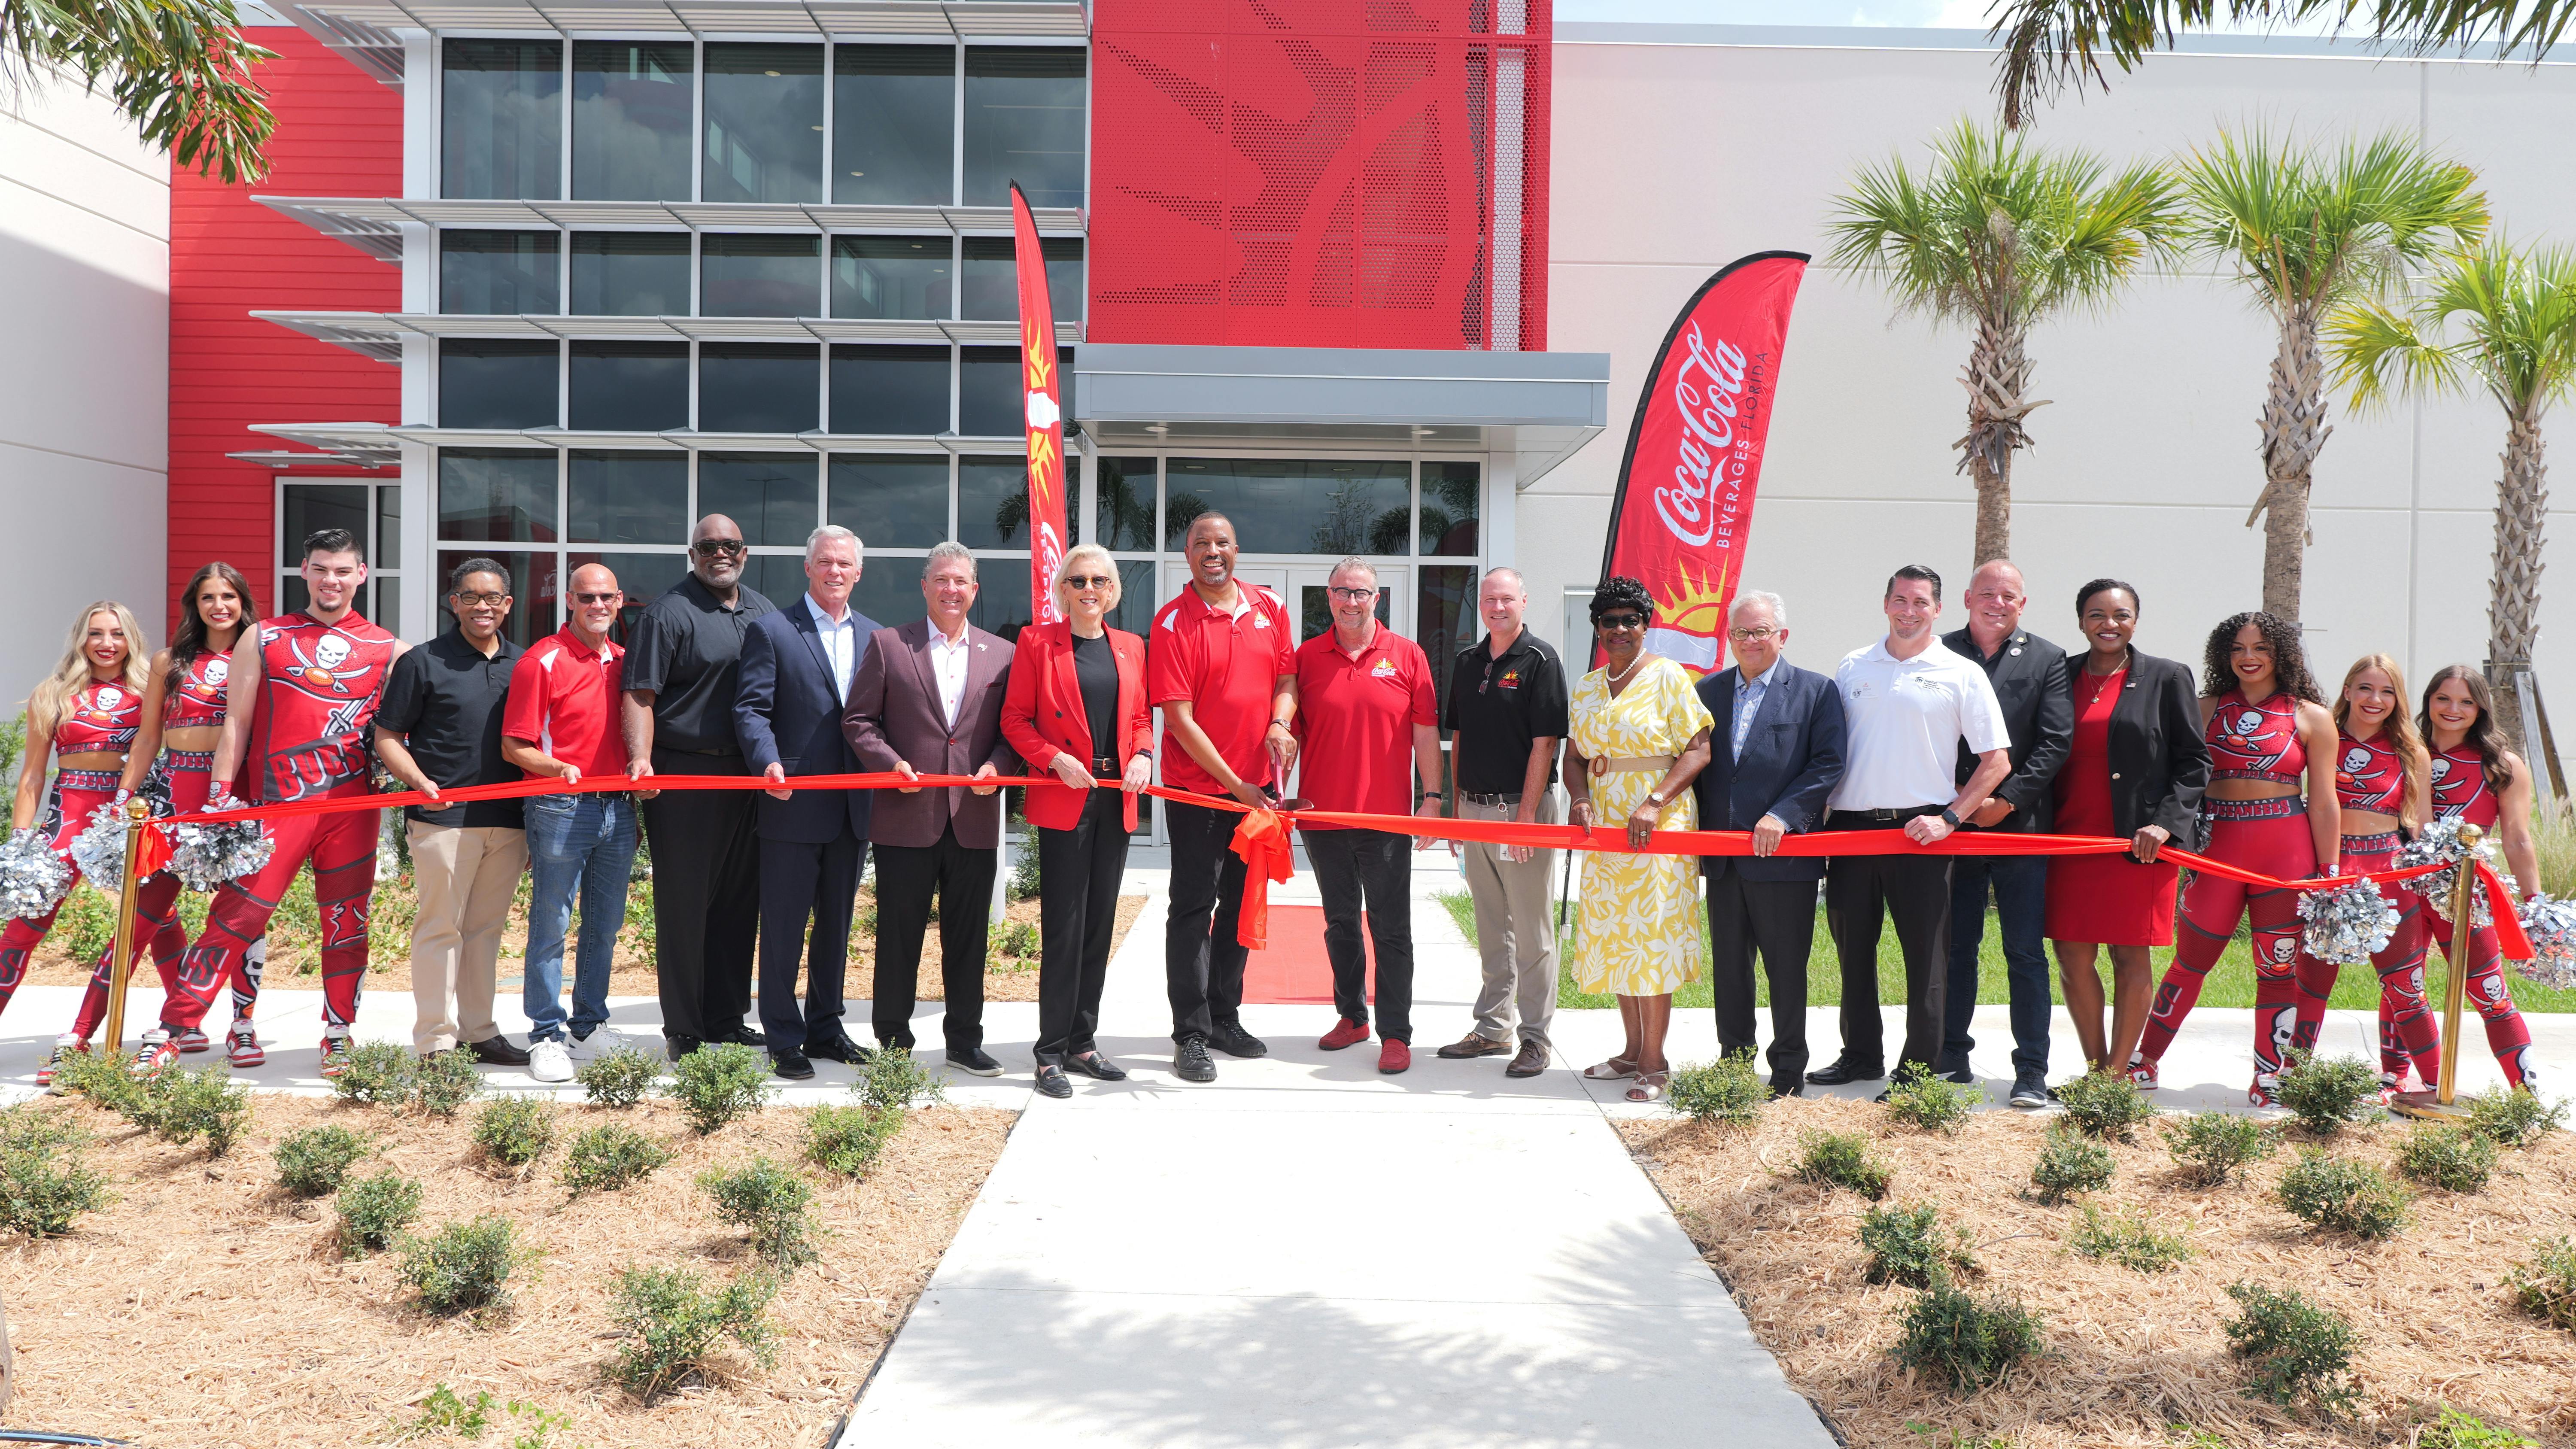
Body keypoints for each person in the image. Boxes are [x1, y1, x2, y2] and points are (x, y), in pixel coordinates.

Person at [160, 529, 405, 1076]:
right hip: (275, 807)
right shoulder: (266, 637)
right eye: (321, 569)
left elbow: (408, 733)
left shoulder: (390, 648)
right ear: (304, 572)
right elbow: (237, 723)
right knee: (236, 918)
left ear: (362, 575)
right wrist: (222, 798)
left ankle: (339, 1031)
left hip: (350, 812)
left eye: (343, 570)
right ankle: (180, 1028)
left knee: (347, 923)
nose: (331, 580)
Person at [1811, 565, 2012, 1092]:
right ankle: (1860, 1056)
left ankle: (1919, 1068)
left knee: (1926, 957)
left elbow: (1997, 762)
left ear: (1938, 610)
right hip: (1852, 831)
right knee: (1853, 951)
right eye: (1900, 600)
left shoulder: (1961, 671)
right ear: (1885, 603)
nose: (1909, 611)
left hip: (1920, 833)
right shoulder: (1853, 666)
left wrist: (1951, 818)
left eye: (1920, 602)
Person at [2133, 611, 2339, 1105]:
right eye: (2239, 648)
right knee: (2189, 963)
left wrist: (2329, 872)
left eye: (2261, 648)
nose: (2249, 658)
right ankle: (2145, 1060)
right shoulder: (2202, 707)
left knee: (2277, 971)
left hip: (2286, 856)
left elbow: (2325, 801)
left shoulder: (2311, 716)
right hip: (2216, 853)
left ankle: (2269, 1075)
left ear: (2282, 654)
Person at [61, 565, 256, 1066]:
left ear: (242, 602)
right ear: (195, 603)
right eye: (209, 596)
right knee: (138, 919)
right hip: (174, 801)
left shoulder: (257, 653)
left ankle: (242, 1026)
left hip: (234, 799)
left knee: (242, 922)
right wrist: (123, 798)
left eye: (229, 596)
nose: (220, 606)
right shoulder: (170, 662)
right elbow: (148, 738)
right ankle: (82, 1033)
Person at [842, 544, 1015, 1076]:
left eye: (961, 581)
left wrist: (996, 766)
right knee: (899, 936)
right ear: (925, 587)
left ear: (974, 591)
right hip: (905, 817)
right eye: (941, 580)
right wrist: (890, 763)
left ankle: (965, 1041)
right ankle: (893, 1043)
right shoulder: (890, 645)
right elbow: (858, 722)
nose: (951, 590)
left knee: (969, 940)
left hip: (975, 820)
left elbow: (1013, 730)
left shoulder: (1002, 654)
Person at [1146, 512, 1296, 1084]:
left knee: (1237, 908)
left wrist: (1281, 723)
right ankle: (1189, 1033)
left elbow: (1287, 680)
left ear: (1238, 549)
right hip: (1198, 793)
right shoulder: (1171, 623)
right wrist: (1238, 785)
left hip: (1256, 797)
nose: (1213, 551)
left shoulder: (1271, 607)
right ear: (1186, 554)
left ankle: (1224, 1017)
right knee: (1191, 909)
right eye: (1202, 543)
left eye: (1223, 542)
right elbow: (1179, 721)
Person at [1000, 544, 1154, 1098]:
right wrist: (1051, 758)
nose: (1090, 589)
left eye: (1101, 581)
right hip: (1067, 793)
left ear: (1113, 591)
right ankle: (1048, 1053)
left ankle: (1083, 1042)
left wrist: (1143, 754)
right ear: (1063, 589)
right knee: (1064, 926)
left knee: (1099, 925)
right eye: (1079, 580)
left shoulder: (1133, 647)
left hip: (1115, 796)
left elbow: (1140, 717)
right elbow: (1015, 719)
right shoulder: (1037, 643)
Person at [623, 513, 776, 1059]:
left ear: (745, 552)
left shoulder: (762, 610)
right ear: (693, 554)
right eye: (708, 545)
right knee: (685, 905)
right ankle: (684, 1028)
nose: (720, 553)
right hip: (684, 775)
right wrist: (641, 760)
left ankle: (727, 1017)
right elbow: (641, 694)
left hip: (749, 776)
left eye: (730, 545)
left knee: (739, 901)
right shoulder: (668, 614)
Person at [2042, 579, 2206, 1086]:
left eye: (2120, 615)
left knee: (2129, 953)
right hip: (2067, 838)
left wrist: (2166, 822)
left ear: (2136, 620)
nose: (2108, 624)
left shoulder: (2166, 677)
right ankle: (2095, 1069)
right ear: (2080, 621)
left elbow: (2194, 762)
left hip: (2138, 841)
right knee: (2071, 952)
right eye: (2096, 615)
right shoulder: (2058, 674)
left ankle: (2117, 1074)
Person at [373, 558, 532, 1066]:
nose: (482, 607)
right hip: (443, 819)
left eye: (492, 598)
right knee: (440, 928)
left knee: (486, 931)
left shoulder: (523, 665)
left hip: (507, 822)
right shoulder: (423, 661)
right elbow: (388, 737)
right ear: (453, 602)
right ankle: (436, 1042)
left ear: (508, 604)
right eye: (470, 597)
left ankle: (480, 1031)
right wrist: (421, 783)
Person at [1286, 558, 1442, 1075]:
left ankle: (1395, 1033)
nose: (1351, 601)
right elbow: (1290, 732)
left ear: (1377, 599)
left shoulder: (1407, 655)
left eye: (1361, 593)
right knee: (1339, 923)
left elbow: (1425, 733)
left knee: (1391, 927)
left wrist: (1433, 796)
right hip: (1322, 817)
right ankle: (1351, 1016)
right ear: (1328, 598)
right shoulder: (1307, 658)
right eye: (1342, 592)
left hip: (1387, 823)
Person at [734, 526, 878, 1080]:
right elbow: (751, 709)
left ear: (858, 571)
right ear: (809, 568)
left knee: (836, 927)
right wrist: (766, 760)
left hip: (854, 807)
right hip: (791, 801)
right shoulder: (773, 631)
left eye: (845, 562)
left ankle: (826, 1026)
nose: (835, 570)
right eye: (826, 561)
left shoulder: (876, 636)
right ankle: (784, 1035)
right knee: (785, 927)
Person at [1690, 589, 1844, 1098]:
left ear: (1782, 636)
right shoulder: (1708, 693)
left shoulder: (1816, 692)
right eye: (1740, 632)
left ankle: (1787, 1070)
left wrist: (1783, 814)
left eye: (1760, 631)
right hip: (1724, 859)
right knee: (1730, 969)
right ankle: (1734, 1063)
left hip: (1784, 859)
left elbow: (1827, 764)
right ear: (1729, 638)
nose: (1750, 641)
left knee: (1785, 969)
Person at [1566, 577, 1714, 1106]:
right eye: (1611, 621)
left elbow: (1698, 751)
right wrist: (1580, 798)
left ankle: (1655, 1062)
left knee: (1651, 939)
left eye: (1632, 620)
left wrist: (1653, 802)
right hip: (1604, 824)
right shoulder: (1586, 686)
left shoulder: (1669, 677)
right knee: (1618, 938)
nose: (1622, 629)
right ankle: (1630, 1051)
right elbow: (1575, 758)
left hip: (1660, 823)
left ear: (1646, 625)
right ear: (1598, 628)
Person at [1935, 561, 2071, 1108]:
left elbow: (2055, 742)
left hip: (2021, 830)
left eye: (2008, 595)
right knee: (1954, 950)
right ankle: (1949, 1059)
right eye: (1987, 592)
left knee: (2024, 953)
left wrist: (2007, 801)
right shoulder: (1937, 651)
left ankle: (2031, 1072)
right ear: (1968, 597)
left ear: (2023, 603)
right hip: (1950, 826)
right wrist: (1963, 807)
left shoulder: (2047, 658)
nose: (1997, 602)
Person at [501, 563, 636, 1084]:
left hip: (617, 808)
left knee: (605, 924)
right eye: (587, 598)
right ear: (570, 603)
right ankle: (546, 1035)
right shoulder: (543, 661)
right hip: (561, 806)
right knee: (552, 924)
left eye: (606, 597)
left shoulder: (626, 662)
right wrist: (557, 769)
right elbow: (516, 745)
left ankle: (588, 1024)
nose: (597, 606)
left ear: (619, 601)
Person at [1435, 566, 1570, 1078]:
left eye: (1507, 599)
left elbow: (1546, 743)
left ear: (1524, 602)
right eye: (1489, 599)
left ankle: (1535, 1038)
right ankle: (1493, 1028)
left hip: (1521, 810)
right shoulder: (1469, 661)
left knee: (1532, 932)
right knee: (1492, 927)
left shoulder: (1541, 660)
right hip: (1473, 810)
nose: (1497, 607)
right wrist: (1454, 809)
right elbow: (1460, 737)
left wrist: (1527, 820)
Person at [10, 601, 149, 1080]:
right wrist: (20, 845)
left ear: (131, 640)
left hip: (124, 817)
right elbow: (31, 778)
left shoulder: (152, 692)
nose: (107, 643)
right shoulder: (53, 694)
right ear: (80, 639)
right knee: (25, 927)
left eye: (117, 633)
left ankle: (176, 1030)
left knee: (156, 919)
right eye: (96, 633)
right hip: (66, 818)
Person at [2286, 655, 2435, 1094]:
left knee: (2406, 985)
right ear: (2347, 690)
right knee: (2311, 983)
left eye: (2387, 691)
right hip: (2328, 869)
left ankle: (2432, 1086)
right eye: (2366, 688)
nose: (2375, 700)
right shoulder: (2322, 735)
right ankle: (2295, 1078)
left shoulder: (2412, 750)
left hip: (2388, 873)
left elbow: (2422, 825)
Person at [2415, 665, 2541, 1090]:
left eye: (2466, 701)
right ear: (2428, 701)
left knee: (2490, 993)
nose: (2453, 709)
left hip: (2466, 894)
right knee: (2402, 987)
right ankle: (2399, 1082)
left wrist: (2534, 901)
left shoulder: (2501, 765)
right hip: (2405, 888)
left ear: (2481, 708)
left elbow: (2518, 840)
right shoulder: (2404, 749)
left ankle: (2526, 1092)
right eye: (2443, 699)